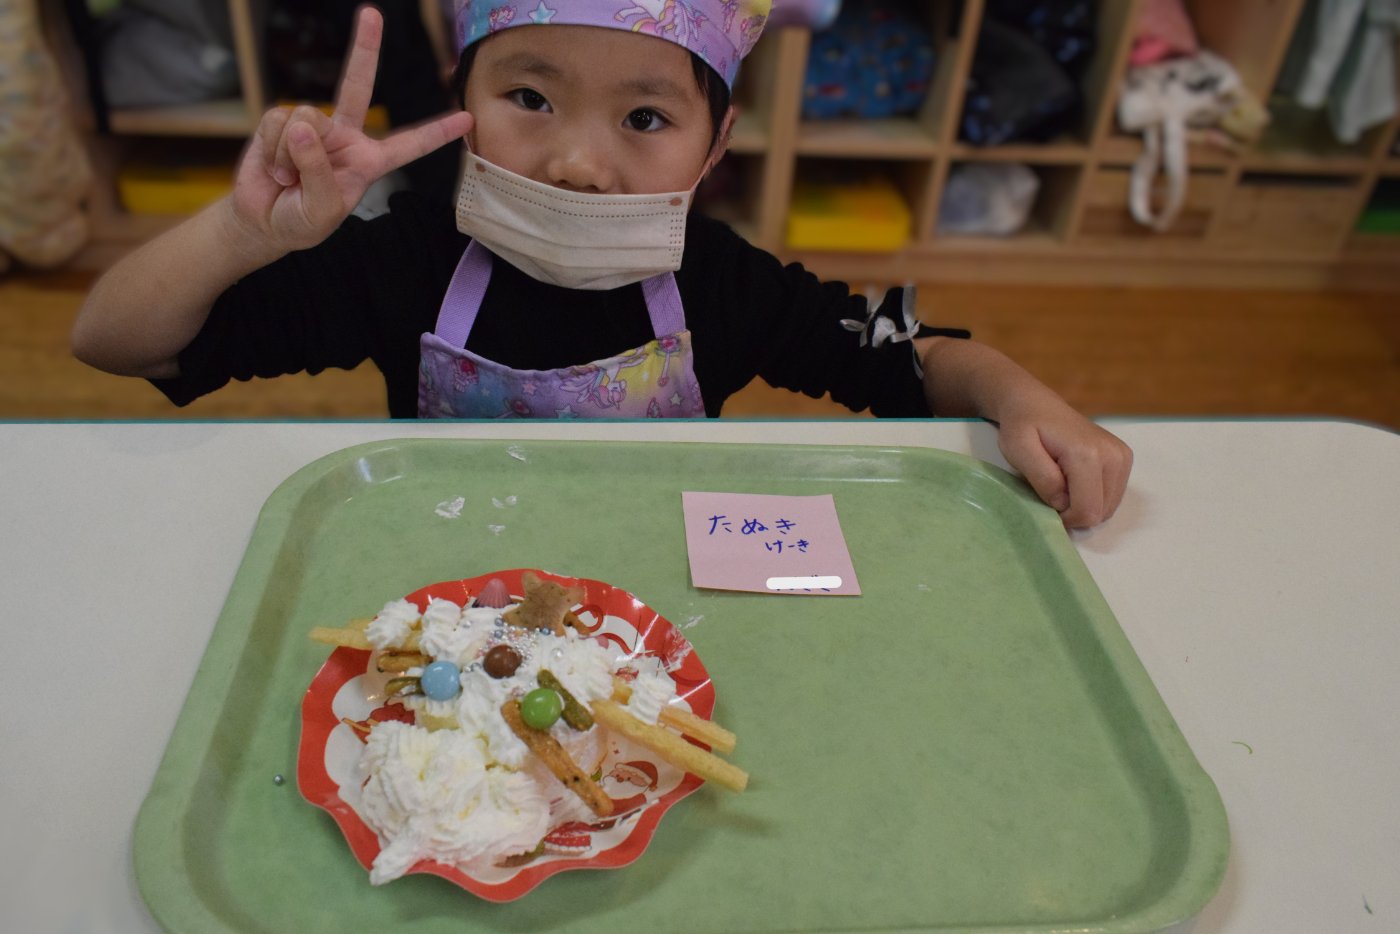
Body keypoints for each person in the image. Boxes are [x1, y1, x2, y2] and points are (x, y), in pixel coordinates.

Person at [71, 1, 1131, 528]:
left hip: (664, 618)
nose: (577, 163)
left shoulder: (723, 283)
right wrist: (244, 235)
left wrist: (1016, 393)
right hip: (447, 599)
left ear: (714, 147)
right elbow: (115, 341)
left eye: (644, 117)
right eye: (528, 99)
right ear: (462, 101)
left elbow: (907, 355)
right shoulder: (402, 261)